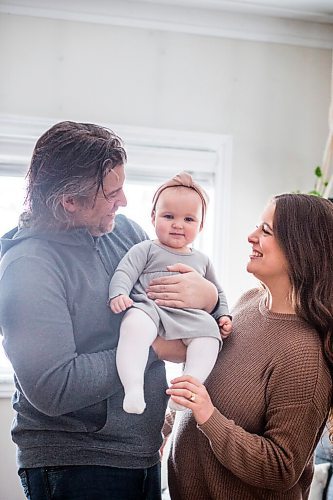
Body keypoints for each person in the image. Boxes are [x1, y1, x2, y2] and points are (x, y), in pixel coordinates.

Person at [0, 121, 219, 500]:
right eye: (112, 192)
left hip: (140, 453)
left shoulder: (124, 232)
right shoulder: (28, 268)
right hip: (78, 464)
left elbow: (167, 302)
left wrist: (208, 297)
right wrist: (153, 349)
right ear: (70, 202)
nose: (125, 200)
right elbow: (54, 387)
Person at [166, 193, 333, 500]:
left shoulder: (303, 354)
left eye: (266, 231)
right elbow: (207, 381)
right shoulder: (247, 303)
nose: (251, 236)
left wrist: (207, 416)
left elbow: (282, 467)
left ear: (300, 248)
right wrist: (167, 425)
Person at [109, 172, 232, 414]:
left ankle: (186, 389)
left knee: (209, 337)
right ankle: (133, 387)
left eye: (188, 219)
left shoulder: (202, 260)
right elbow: (124, 272)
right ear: (153, 217)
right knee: (133, 326)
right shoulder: (145, 249)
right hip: (150, 308)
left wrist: (223, 315)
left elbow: (218, 291)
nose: (178, 224)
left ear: (201, 225)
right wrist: (119, 294)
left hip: (188, 316)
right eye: (168, 216)